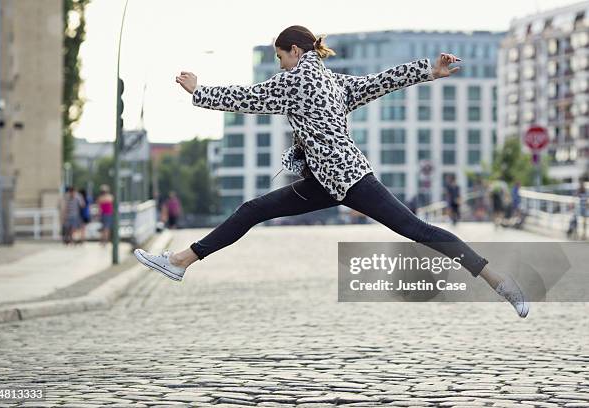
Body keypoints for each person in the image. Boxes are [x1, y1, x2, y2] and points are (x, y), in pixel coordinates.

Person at [134, 26, 529, 318]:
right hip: (324, 182)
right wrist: (428, 70)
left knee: (419, 231)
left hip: (352, 182)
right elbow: (380, 82)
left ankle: (498, 281)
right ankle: (181, 261)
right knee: (253, 210)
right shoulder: (333, 82)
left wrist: (198, 91)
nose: (280, 65)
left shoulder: (298, 80)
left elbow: (248, 97)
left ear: (293, 51)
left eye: (279, 57)